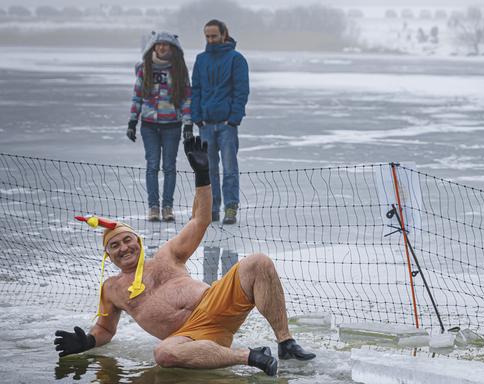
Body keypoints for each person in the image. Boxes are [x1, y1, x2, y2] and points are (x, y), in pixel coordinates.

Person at [53, 137, 315, 376]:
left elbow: (200, 220)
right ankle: (249, 356)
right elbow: (106, 330)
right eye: (114, 246)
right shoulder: (111, 289)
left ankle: (286, 342)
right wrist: (87, 342)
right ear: (108, 256)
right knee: (164, 353)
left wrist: (202, 175)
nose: (123, 248)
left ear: (138, 242)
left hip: (216, 303)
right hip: (190, 337)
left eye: (127, 240)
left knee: (258, 262)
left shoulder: (167, 256)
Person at [128, 31, 192, 223]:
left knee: (169, 167)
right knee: (152, 165)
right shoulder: (144, 69)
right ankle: (153, 207)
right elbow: (137, 96)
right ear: (153, 47)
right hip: (149, 126)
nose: (162, 47)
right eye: (158, 44)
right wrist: (132, 121)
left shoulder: (179, 70)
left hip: (172, 126)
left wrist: (188, 124)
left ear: (173, 48)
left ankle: (168, 207)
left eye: (166, 44)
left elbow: (187, 99)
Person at [192, 19, 249, 225]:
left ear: (224, 34)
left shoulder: (236, 59)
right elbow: (195, 89)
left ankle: (231, 208)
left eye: (214, 36)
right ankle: (212, 209)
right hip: (206, 124)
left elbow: (241, 91)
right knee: (209, 170)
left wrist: (233, 119)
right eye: (207, 36)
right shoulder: (201, 59)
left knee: (229, 167)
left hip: (227, 125)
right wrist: (196, 117)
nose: (210, 39)